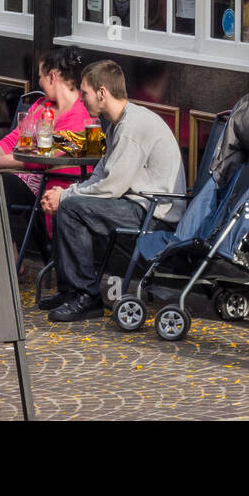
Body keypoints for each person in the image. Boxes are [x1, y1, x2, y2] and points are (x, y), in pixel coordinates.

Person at [42, 59, 185, 323]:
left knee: (72, 208)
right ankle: (70, 292)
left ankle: (86, 297)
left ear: (102, 92)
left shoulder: (132, 127)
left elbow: (112, 186)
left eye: (85, 93)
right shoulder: (117, 123)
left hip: (154, 213)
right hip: (137, 203)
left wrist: (67, 196)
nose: (82, 100)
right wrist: (69, 191)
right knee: (71, 204)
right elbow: (102, 173)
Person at [0, 47, 90, 234]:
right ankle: (11, 256)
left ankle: (11, 258)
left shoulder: (81, 114)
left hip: (59, 183)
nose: (39, 82)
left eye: (41, 76)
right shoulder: (41, 105)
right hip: (28, 176)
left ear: (52, 77)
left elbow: (41, 158)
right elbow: (12, 140)